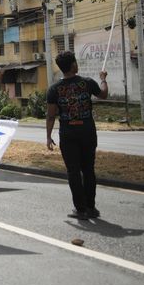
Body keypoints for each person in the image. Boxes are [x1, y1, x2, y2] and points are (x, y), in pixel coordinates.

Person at [46, 51, 109, 220]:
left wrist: (48, 136)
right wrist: (103, 79)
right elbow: (103, 94)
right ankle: (91, 208)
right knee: (88, 170)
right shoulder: (87, 83)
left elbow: (51, 115)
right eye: (75, 61)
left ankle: (80, 210)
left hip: (68, 134)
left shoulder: (54, 89)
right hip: (87, 131)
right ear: (73, 65)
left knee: (73, 171)